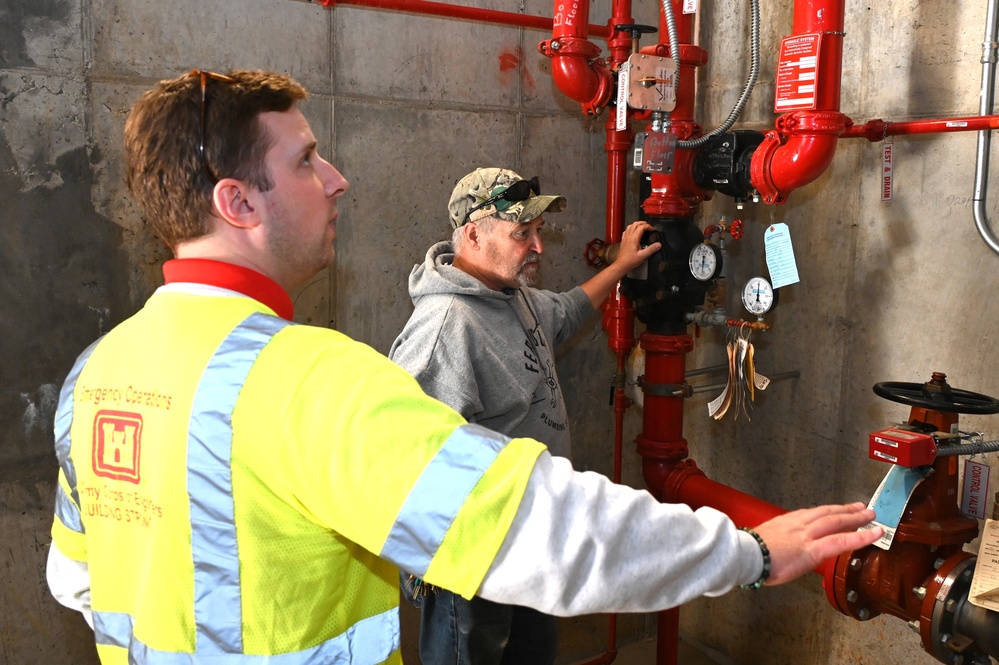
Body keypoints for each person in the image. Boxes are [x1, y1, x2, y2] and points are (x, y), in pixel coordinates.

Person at [45, 68, 883, 665]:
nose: (336, 180)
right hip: (476, 576)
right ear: (238, 201)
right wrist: (748, 553)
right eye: (304, 160)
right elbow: (529, 526)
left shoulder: (97, 373)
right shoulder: (310, 380)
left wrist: (620, 269)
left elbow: (78, 581)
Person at [389, 166, 660, 664]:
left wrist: (621, 266)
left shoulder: (514, 296)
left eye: (537, 232)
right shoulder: (447, 328)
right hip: (477, 559)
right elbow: (404, 459)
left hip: (533, 538)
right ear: (473, 234)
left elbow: (569, 310)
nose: (538, 247)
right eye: (522, 234)